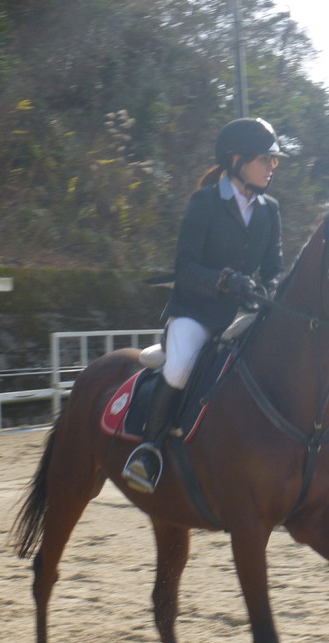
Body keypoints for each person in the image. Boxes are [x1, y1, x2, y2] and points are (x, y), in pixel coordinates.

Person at [122, 117, 286, 493]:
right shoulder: (205, 202)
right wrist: (224, 279)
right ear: (236, 160)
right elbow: (185, 266)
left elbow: (274, 267)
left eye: (273, 161)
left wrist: (270, 289)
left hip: (243, 315)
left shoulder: (270, 209)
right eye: (265, 159)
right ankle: (149, 450)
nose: (271, 167)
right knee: (179, 368)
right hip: (197, 311)